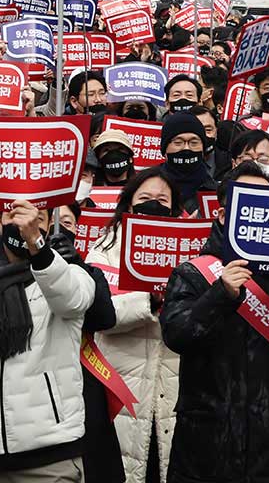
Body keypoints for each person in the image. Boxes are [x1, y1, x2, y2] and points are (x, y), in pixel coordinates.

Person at [160, 166, 269, 483]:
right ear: (224, 215)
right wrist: (220, 295)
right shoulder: (195, 274)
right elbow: (177, 334)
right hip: (208, 450)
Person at [0, 199, 96, 482]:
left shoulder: (70, 276)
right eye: (14, 214)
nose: (23, 223)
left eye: (36, 217)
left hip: (51, 458)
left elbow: (71, 301)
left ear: (47, 225)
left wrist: (36, 243)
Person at [85, 169, 184, 483]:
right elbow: (100, 314)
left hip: (174, 387)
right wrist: (149, 301)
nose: (153, 206)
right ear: (127, 206)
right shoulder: (103, 252)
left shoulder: (192, 252)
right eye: (144, 200)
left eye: (161, 201)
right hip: (120, 387)